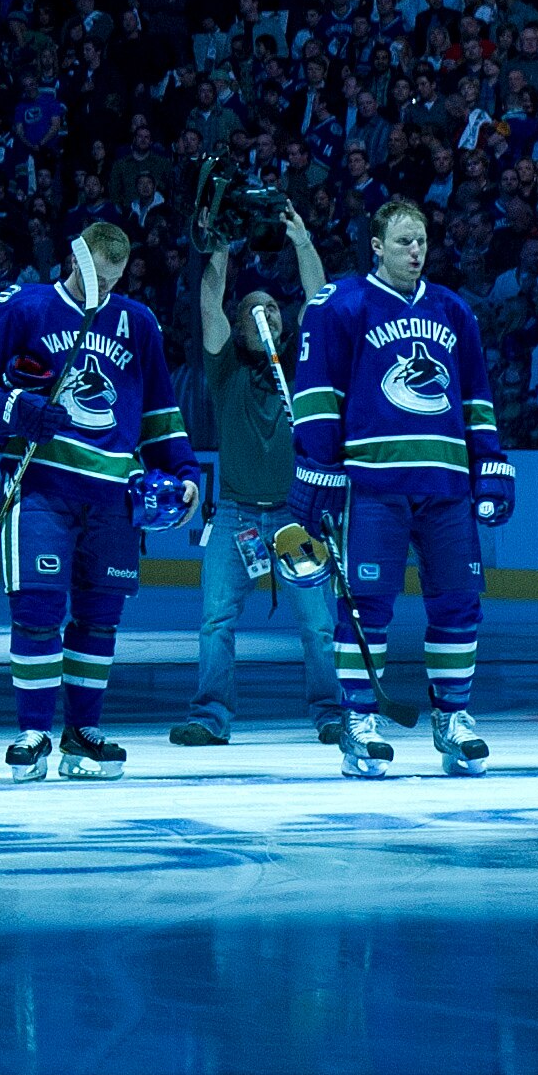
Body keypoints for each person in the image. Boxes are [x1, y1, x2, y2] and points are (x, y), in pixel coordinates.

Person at [0, 214, 199, 781]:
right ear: (75, 261)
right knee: (38, 611)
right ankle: (33, 730)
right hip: (42, 486)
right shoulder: (22, 306)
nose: (104, 291)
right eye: (95, 278)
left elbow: (160, 412)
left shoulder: (137, 323)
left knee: (99, 619)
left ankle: (82, 732)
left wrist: (182, 468)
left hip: (112, 497)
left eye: (114, 280)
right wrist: (16, 409)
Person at [292, 195, 512, 778]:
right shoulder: (340, 304)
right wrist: (318, 475)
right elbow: (316, 398)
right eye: (402, 243)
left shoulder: (452, 310)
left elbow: (476, 398)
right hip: (372, 484)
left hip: (444, 485)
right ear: (376, 246)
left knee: (459, 604)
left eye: (420, 242)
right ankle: (359, 720)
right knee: (367, 607)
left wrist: (490, 464)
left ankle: (453, 718)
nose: (415, 252)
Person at [176, 209, 342, 747]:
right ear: (240, 324)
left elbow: (323, 304)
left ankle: (332, 713)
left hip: (301, 514)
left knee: (318, 625)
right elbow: (209, 303)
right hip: (237, 514)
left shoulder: (303, 367)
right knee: (215, 621)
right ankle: (210, 716)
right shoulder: (224, 369)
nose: (266, 315)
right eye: (254, 310)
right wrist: (220, 248)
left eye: (274, 307)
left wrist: (303, 241)